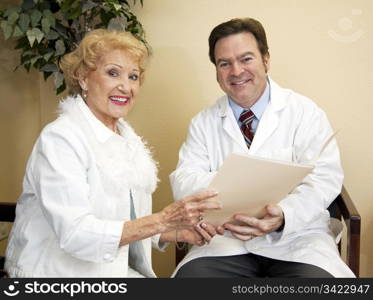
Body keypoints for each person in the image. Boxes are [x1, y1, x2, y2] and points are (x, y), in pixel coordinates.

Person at [4, 29, 221, 278]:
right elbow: (76, 234)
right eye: (112, 73)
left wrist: (175, 232)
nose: (125, 86)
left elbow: (124, 220)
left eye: (133, 76)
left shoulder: (127, 140)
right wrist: (162, 220)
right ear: (83, 77)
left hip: (114, 272)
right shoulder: (60, 139)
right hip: (57, 275)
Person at [170, 18, 355, 277]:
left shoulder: (305, 113)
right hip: (225, 241)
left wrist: (282, 215)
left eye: (246, 59)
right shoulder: (203, 122)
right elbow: (184, 182)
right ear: (216, 70)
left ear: (266, 59)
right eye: (225, 63)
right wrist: (236, 186)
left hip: (296, 239)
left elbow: (324, 179)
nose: (236, 71)